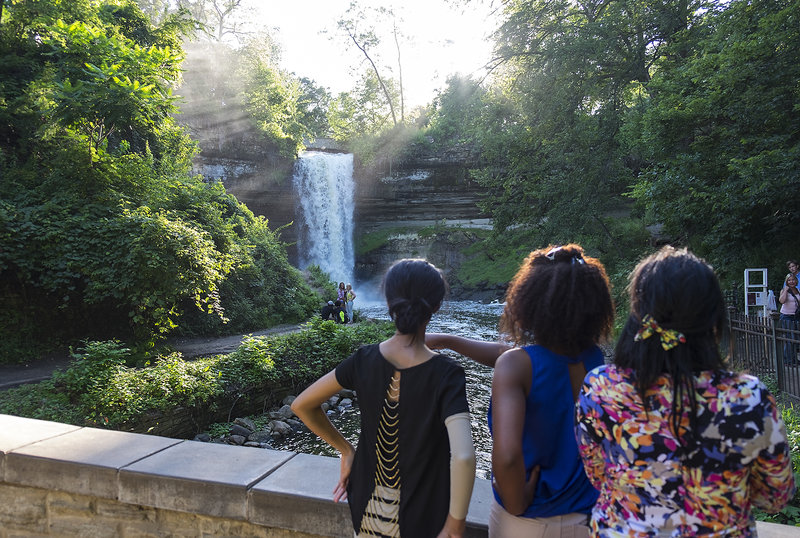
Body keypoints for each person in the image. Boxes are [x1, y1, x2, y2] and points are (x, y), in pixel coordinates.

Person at [575, 246, 795, 536]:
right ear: (713, 320)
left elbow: (598, 473)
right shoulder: (748, 397)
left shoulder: (601, 387)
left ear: (639, 314)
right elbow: (775, 495)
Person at [427, 244, 614, 537]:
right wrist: (449, 339)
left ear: (532, 303)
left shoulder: (518, 365)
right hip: (589, 517)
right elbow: (515, 356)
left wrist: (516, 503)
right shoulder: (593, 358)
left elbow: (509, 457)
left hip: (529, 521)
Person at [291, 259, 476, 538]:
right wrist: (456, 523)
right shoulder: (447, 374)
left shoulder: (363, 359)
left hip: (364, 507)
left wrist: (346, 450)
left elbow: (302, 405)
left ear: (390, 303)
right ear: (437, 306)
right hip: (425, 517)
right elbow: (463, 456)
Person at [779, 273, 800, 364]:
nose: (791, 282)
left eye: (793, 280)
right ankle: (787, 360)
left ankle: (794, 359)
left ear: (796, 281)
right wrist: (786, 291)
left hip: (795, 316)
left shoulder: (798, 290)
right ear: (786, 281)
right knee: (789, 338)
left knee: (795, 338)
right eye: (789, 280)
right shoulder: (784, 290)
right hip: (786, 316)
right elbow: (782, 301)